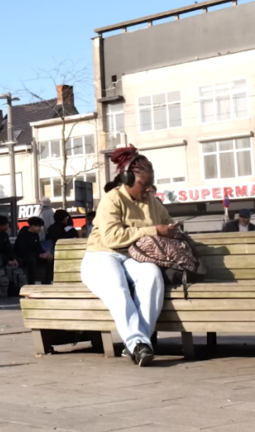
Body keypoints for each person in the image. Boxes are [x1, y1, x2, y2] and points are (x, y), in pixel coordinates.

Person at [81, 146, 175, 368]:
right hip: (102, 255)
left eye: (151, 183)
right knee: (118, 287)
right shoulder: (112, 199)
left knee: (153, 275)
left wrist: (173, 230)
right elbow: (113, 237)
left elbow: (167, 223)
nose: (148, 189)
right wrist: (153, 230)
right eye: (143, 184)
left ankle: (136, 344)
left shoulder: (153, 201)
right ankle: (138, 344)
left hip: (135, 257)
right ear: (127, 178)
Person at [15, 216, 51, 283]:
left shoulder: (35, 235)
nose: (40, 229)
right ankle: (31, 282)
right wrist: (39, 255)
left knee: (49, 260)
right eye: (38, 226)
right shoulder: (23, 234)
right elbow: (23, 250)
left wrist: (45, 253)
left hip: (35, 256)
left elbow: (38, 247)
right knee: (32, 260)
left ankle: (47, 281)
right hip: (24, 257)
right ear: (32, 226)